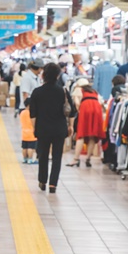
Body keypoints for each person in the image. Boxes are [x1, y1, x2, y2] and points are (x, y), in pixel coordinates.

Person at [28, 62, 73, 194]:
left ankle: (42, 181)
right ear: (58, 75)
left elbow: (33, 114)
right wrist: (70, 126)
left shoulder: (37, 92)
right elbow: (71, 111)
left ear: (43, 75)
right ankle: (53, 184)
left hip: (43, 128)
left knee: (42, 155)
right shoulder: (63, 92)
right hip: (59, 129)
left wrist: (34, 128)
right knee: (57, 156)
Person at [67, 82, 105, 167]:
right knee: (92, 135)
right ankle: (88, 158)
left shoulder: (78, 90)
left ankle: (76, 159)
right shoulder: (94, 91)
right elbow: (101, 102)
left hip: (85, 108)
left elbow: (77, 103)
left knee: (81, 135)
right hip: (96, 108)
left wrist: (80, 111)